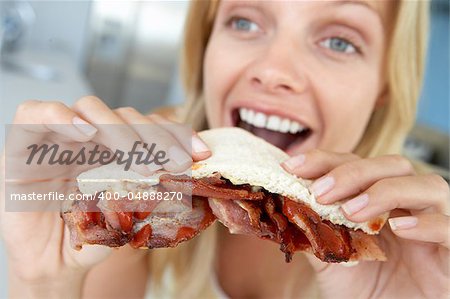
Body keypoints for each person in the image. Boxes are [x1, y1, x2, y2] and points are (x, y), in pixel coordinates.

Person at [1, 0, 449, 298]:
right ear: (205, 44)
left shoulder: (422, 246)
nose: (274, 70)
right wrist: (42, 281)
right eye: (244, 20)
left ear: (384, 86)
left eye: (339, 41)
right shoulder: (136, 190)